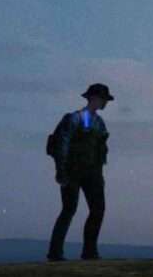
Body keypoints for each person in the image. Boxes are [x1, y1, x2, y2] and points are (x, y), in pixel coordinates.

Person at [47, 82, 113, 262]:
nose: (105, 103)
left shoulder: (99, 123)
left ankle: (89, 251)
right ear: (94, 98)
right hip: (73, 171)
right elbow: (62, 144)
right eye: (103, 99)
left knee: (97, 209)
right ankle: (55, 253)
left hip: (92, 173)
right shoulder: (75, 119)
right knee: (69, 209)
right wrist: (61, 171)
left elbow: (99, 151)